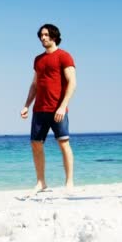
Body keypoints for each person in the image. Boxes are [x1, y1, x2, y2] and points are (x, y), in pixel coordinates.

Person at [20, 24, 77, 194]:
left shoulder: (64, 56)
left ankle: (69, 182)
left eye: (46, 35)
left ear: (54, 36)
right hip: (39, 109)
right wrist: (26, 105)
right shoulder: (38, 59)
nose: (43, 38)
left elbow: (72, 83)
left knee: (63, 143)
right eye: (41, 35)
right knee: (35, 144)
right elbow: (35, 84)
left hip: (57, 109)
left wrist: (63, 106)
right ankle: (41, 182)